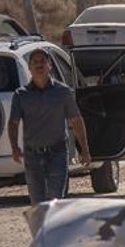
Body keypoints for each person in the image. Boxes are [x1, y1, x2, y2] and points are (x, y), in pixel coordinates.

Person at [8, 48, 91, 204]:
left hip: (57, 154)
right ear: (29, 67)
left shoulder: (63, 92)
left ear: (50, 66)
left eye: (43, 61)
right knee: (38, 204)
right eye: (35, 62)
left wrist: (84, 150)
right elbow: (13, 123)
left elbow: (76, 120)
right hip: (32, 156)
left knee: (55, 201)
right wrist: (14, 147)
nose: (39, 65)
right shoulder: (21, 95)